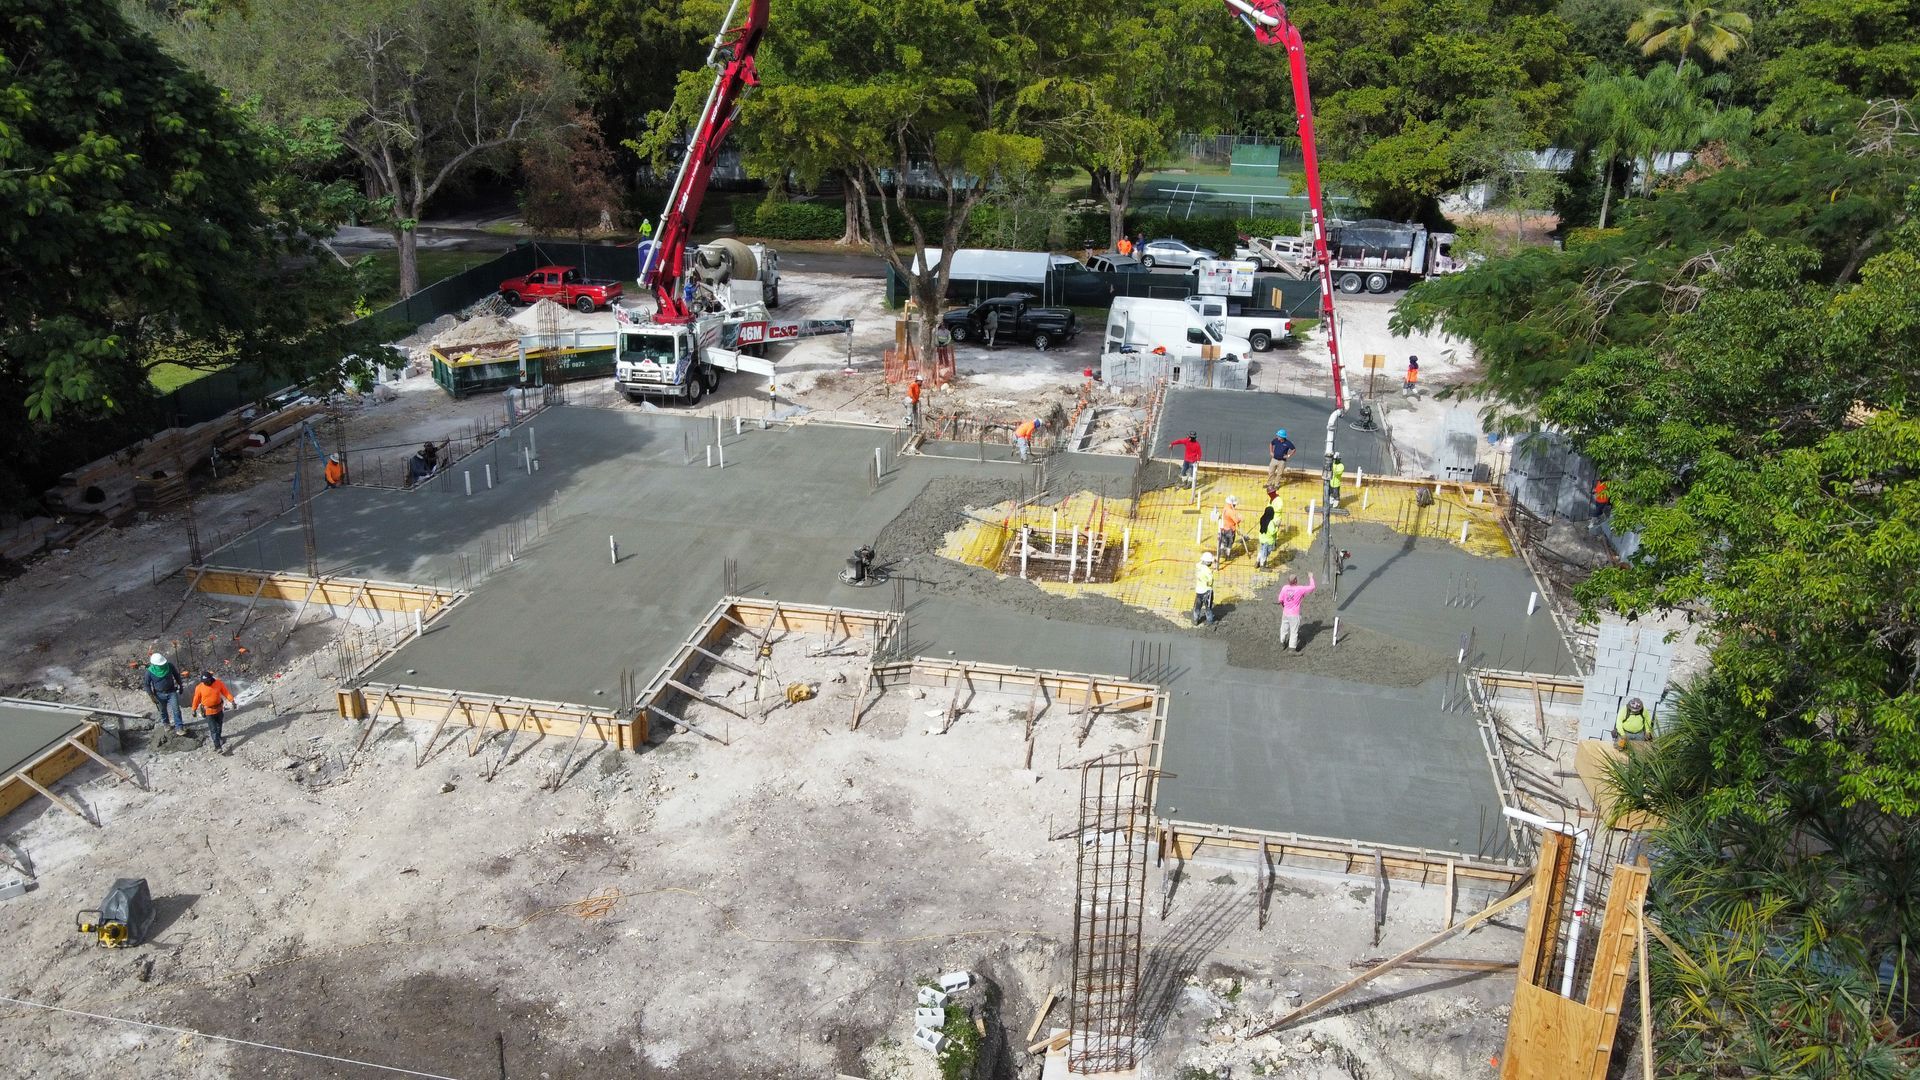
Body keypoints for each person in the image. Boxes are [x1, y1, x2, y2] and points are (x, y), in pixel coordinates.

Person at [191, 671, 236, 753]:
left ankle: (219, 738)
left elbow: (225, 692)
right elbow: (196, 699)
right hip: (208, 711)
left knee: (219, 726)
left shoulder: (218, 683)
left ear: (211, 679)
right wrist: (194, 709)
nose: (206, 683)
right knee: (213, 729)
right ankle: (217, 746)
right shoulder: (199, 687)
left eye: (207, 681)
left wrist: (232, 700)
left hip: (218, 709)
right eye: (204, 682)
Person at [1275, 572, 1316, 652]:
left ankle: (1282, 642)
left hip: (1285, 613)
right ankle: (1292, 649)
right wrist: (1311, 577)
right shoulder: (1300, 589)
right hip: (1294, 614)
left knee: (1284, 628)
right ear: (1296, 580)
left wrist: (1284, 606)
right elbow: (1312, 587)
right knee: (1294, 631)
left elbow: (1280, 600)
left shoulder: (1285, 588)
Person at [144, 653, 184, 733]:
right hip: (159, 694)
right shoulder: (150, 672)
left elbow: (176, 675)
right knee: (162, 711)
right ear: (154, 664)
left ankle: (179, 727)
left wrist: (180, 684)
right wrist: (151, 696)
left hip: (171, 691)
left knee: (176, 709)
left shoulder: (169, 666)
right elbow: (146, 684)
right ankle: (166, 723)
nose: (162, 665)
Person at [1267, 428, 1296, 493]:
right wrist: (1271, 452)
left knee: (1279, 474)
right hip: (1274, 459)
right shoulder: (1276, 440)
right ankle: (1269, 484)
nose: (1277, 437)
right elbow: (1271, 443)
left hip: (1282, 461)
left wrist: (1288, 455)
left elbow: (1294, 449)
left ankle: (1276, 485)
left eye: (1279, 436)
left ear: (1282, 437)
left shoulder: (1288, 443)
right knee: (1271, 472)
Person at [1193, 552, 1217, 627]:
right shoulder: (1207, 571)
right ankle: (1210, 621)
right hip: (1207, 592)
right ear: (1208, 562)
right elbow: (1210, 582)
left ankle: (1195, 620)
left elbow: (1200, 562)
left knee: (1197, 606)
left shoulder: (1198, 566)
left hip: (1198, 591)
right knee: (1208, 607)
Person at [1217, 495, 1243, 561]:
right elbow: (1236, 520)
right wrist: (1240, 518)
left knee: (1223, 541)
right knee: (1229, 543)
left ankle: (1222, 552)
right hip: (1230, 530)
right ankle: (1227, 555)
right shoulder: (1230, 511)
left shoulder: (1225, 508)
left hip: (1223, 528)